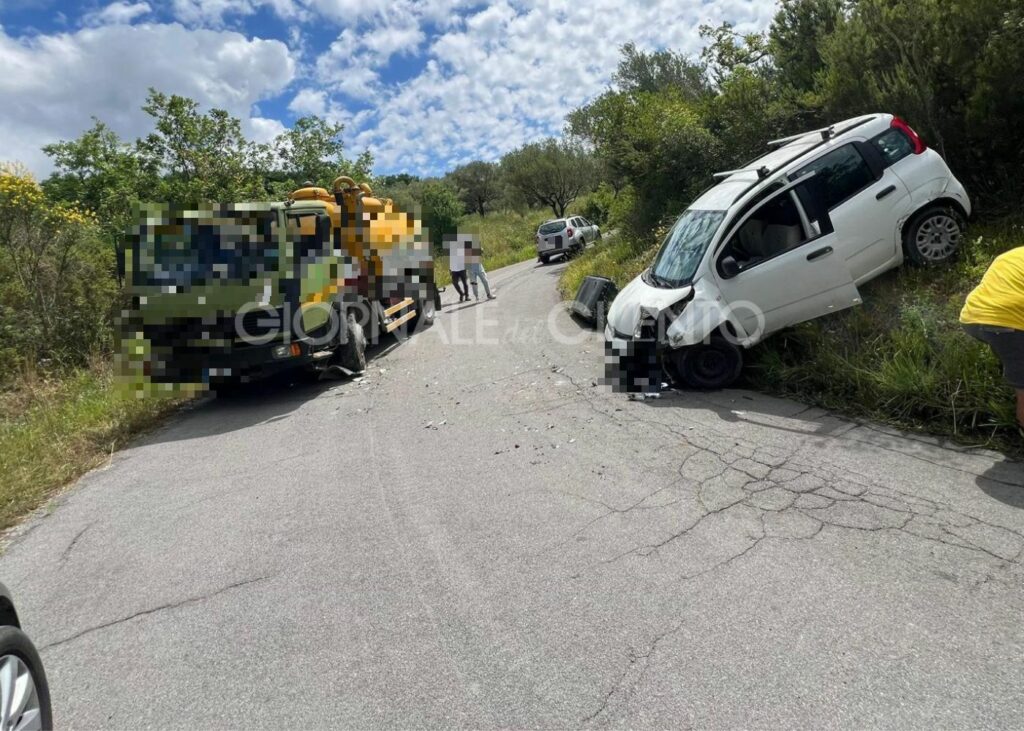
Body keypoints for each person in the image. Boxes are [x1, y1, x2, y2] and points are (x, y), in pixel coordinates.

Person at [960, 246, 1024, 428]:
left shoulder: (1012, 255)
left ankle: (1011, 372)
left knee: (1012, 353)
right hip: (1007, 323)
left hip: (971, 318)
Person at [446, 234, 469, 302]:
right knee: (454, 283)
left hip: (462, 268)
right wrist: (450, 269)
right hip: (454, 270)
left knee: (465, 283)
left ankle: (467, 296)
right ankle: (461, 294)